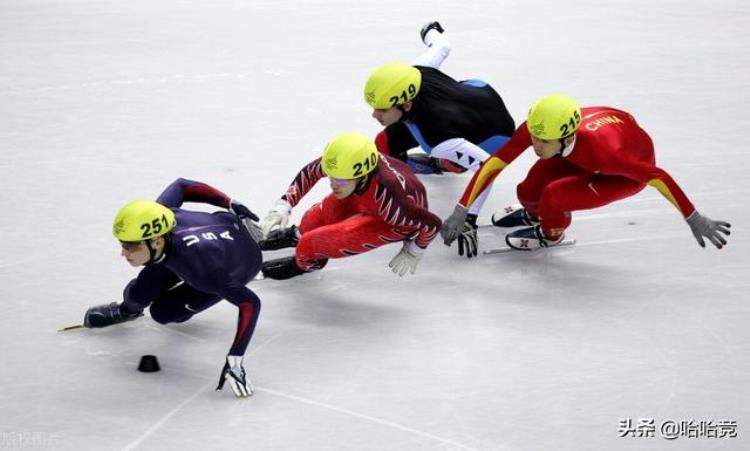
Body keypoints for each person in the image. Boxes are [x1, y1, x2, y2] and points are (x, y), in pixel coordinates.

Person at [441, 94, 731, 251]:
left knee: (553, 196)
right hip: (583, 152)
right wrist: (461, 209)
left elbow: (659, 177)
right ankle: (537, 212)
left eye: (543, 141)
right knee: (528, 190)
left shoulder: (609, 156)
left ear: (566, 137)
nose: (535, 145)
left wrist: (692, 216)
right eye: (535, 137)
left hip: (620, 174)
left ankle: (551, 232)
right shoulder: (541, 127)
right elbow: (494, 163)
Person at [83, 178, 264, 398]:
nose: (123, 253)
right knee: (136, 293)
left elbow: (250, 303)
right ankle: (128, 311)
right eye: (122, 244)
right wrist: (230, 202)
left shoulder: (203, 270)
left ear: (156, 242)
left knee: (164, 313)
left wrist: (235, 360)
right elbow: (182, 185)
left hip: (238, 265)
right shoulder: (159, 214)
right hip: (218, 230)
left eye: (130, 246)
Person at [363, 21, 516, 258]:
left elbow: (488, 167)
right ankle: (411, 174)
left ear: (406, 103)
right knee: (384, 142)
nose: (375, 115)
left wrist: (468, 216)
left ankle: (442, 164)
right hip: (474, 94)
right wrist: (429, 31)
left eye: (382, 109)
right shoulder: (414, 72)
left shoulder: (437, 138)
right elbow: (442, 46)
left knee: (454, 161)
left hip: (495, 133)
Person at [257, 132, 442, 280]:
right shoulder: (349, 164)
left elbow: (432, 223)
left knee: (309, 244)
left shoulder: (392, 203)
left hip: (393, 223)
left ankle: (307, 263)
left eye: (339, 179)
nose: (332, 183)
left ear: (361, 176)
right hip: (364, 196)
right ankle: (296, 234)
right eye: (330, 176)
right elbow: (311, 172)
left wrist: (415, 249)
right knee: (310, 221)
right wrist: (283, 205)